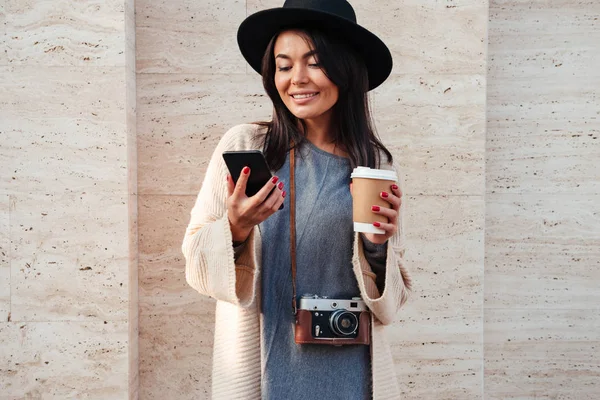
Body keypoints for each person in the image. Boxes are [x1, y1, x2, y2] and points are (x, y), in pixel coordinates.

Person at [182, 0, 412, 399]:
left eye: (315, 62)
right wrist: (235, 228)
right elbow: (197, 265)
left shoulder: (374, 164)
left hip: (351, 373)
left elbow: (391, 304)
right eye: (284, 66)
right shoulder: (245, 145)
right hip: (262, 370)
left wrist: (377, 250)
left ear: (346, 69)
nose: (297, 79)